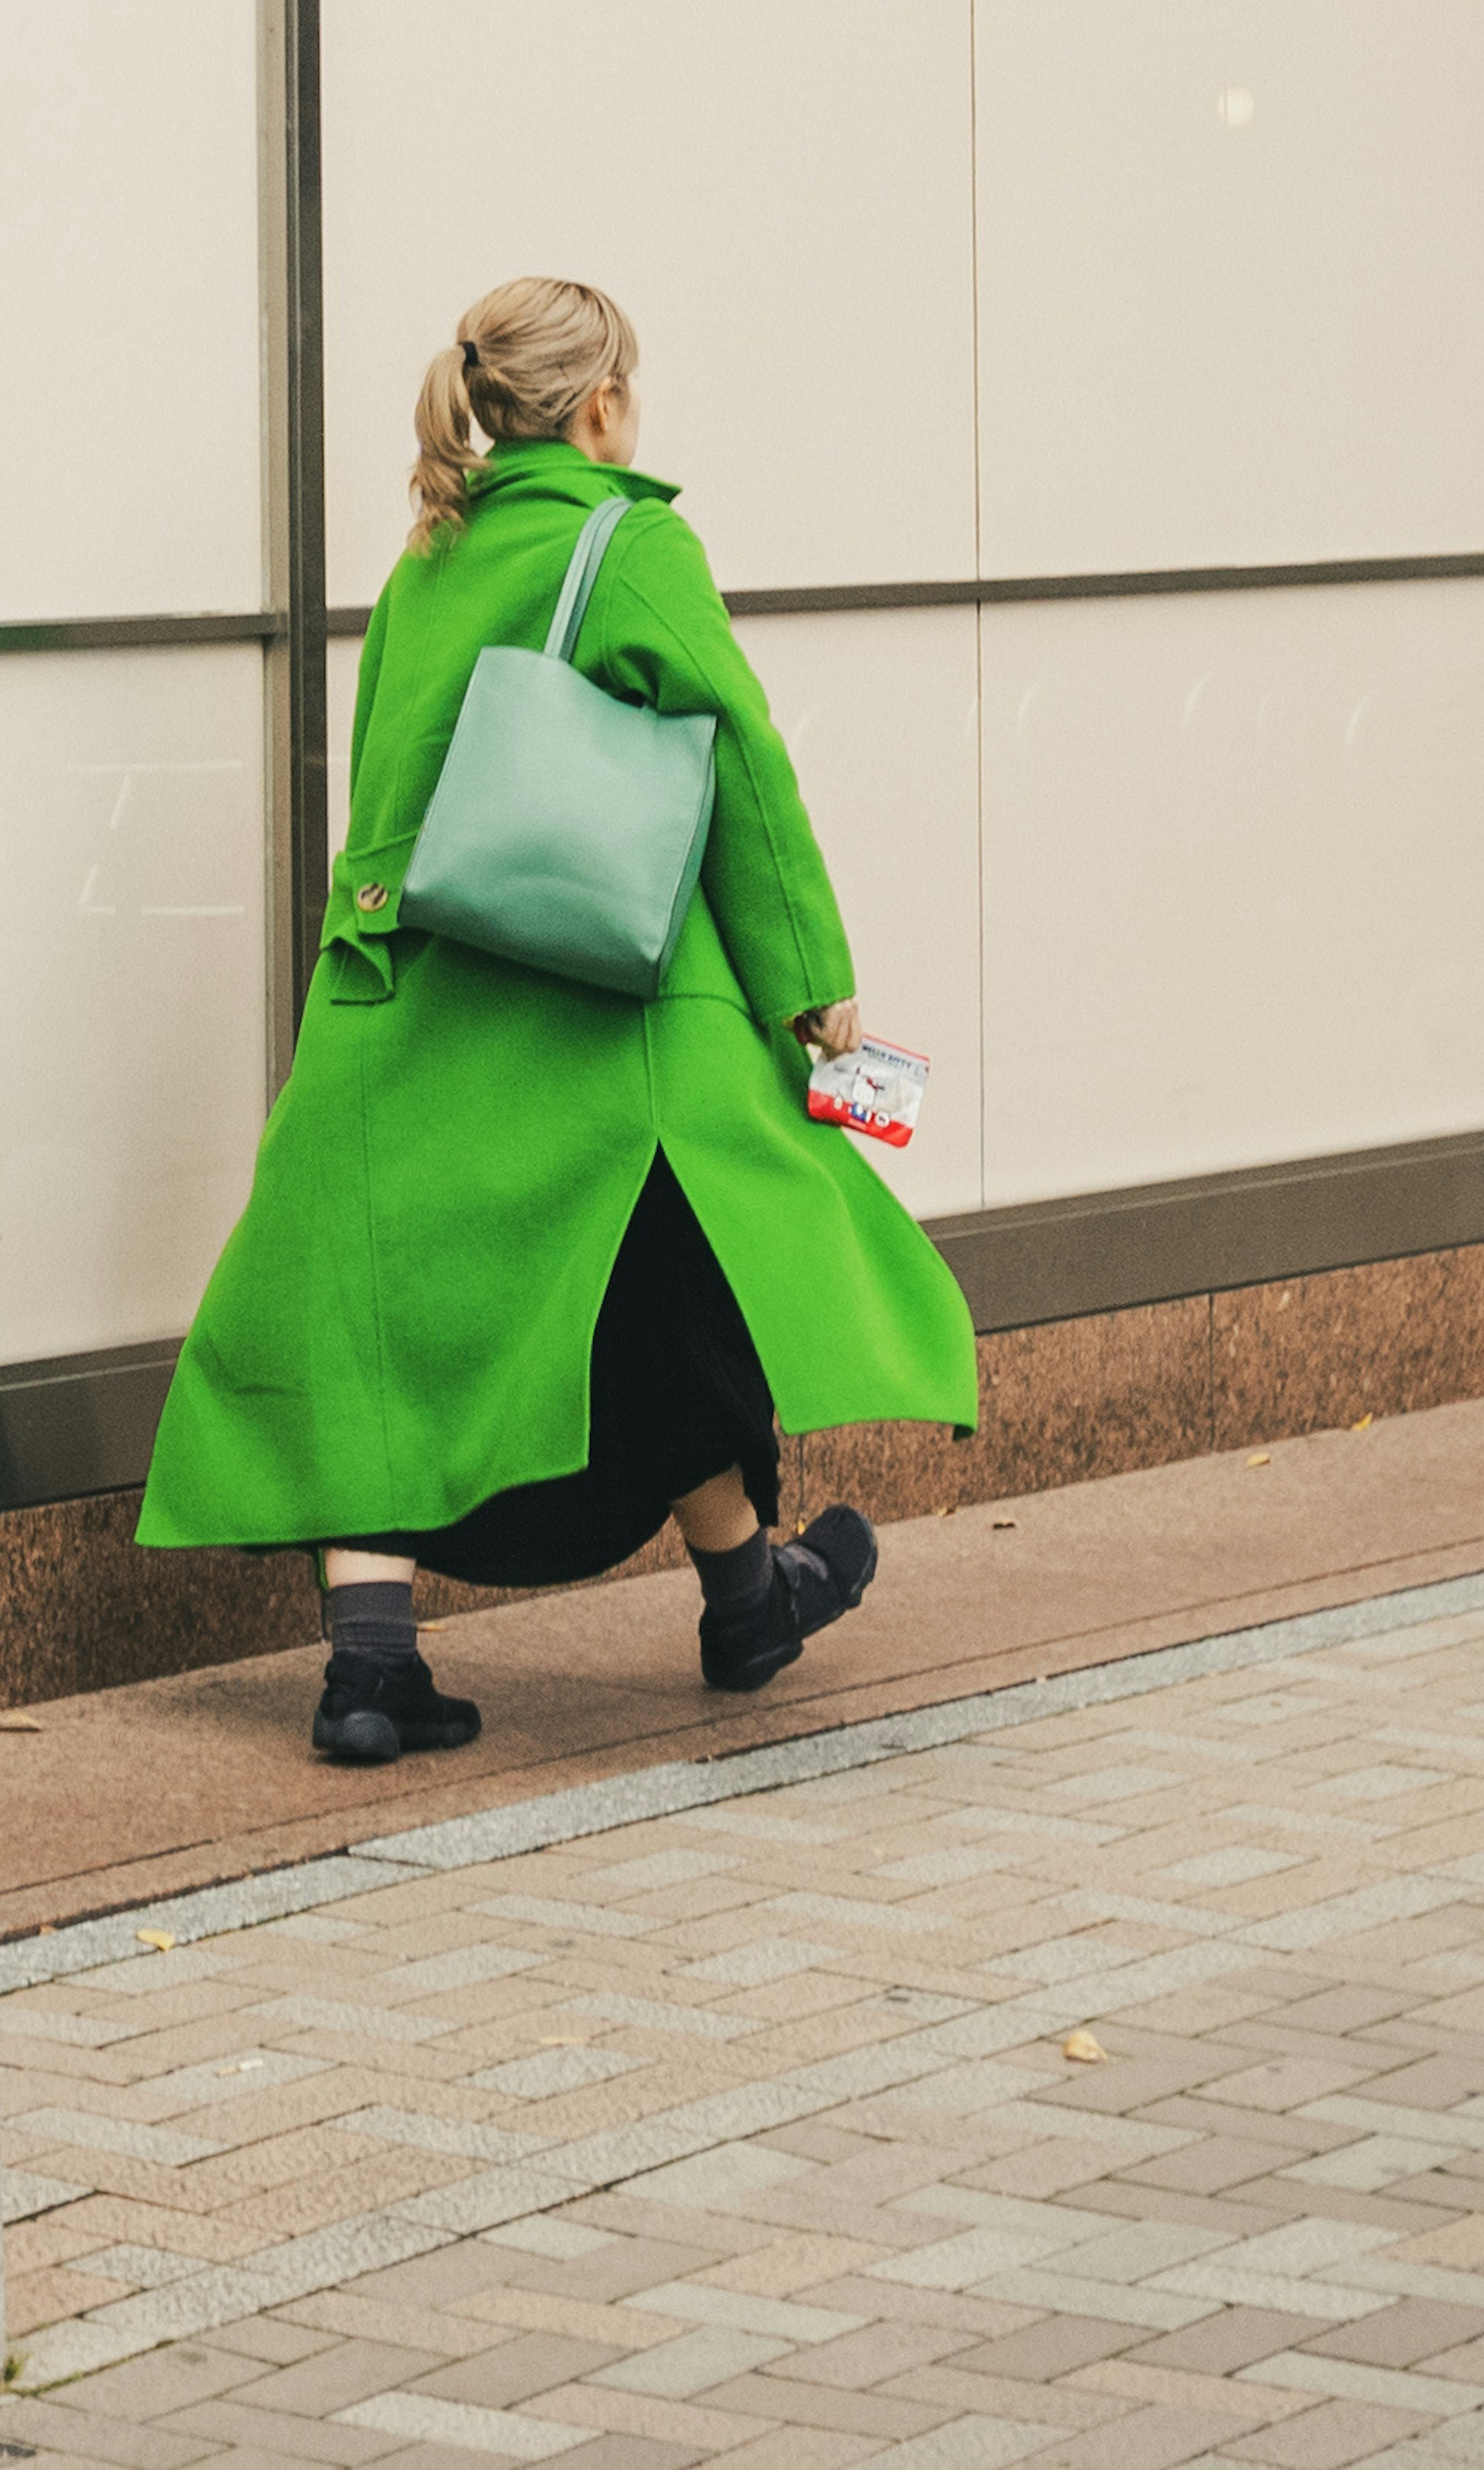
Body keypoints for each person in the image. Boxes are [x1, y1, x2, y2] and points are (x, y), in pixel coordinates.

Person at [139, 277, 980, 1765]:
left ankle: (375, 1665)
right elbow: (743, 771)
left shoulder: (430, 559)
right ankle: (744, 1594)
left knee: (374, 1328)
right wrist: (814, 980)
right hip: (595, 1019)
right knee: (670, 1292)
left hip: (402, 1006)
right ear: (600, 406)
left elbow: (388, 794)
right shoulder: (633, 536)